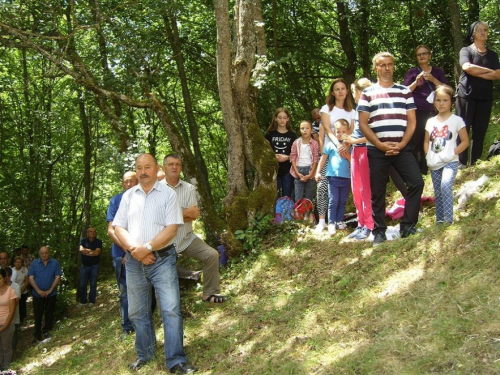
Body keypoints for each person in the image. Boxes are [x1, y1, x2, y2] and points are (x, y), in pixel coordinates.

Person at [113, 153, 198, 374]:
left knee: (170, 309)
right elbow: (118, 227)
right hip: (133, 262)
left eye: (147, 167)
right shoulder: (129, 196)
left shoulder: (168, 195)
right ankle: (145, 355)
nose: (143, 172)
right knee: (138, 312)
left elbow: (172, 227)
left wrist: (148, 248)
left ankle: (176, 360)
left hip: (162, 260)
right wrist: (135, 250)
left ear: (155, 168)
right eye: (139, 167)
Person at [358, 52, 425, 246]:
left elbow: (412, 122)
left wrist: (402, 144)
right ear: (375, 68)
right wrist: (379, 144)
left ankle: (408, 225)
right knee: (377, 190)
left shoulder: (404, 91)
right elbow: (363, 124)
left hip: (401, 148)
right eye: (383, 65)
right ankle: (379, 231)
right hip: (377, 150)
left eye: (390, 64)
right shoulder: (367, 93)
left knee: (416, 182)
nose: (387, 68)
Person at [162, 154, 225, 304]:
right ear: (164, 168)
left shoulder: (189, 188)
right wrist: (184, 212)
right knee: (164, 274)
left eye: (177, 164)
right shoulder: (157, 189)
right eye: (170, 164)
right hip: (164, 242)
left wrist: (171, 214)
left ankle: (210, 293)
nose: (174, 167)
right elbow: (158, 218)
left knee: (211, 254)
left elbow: (194, 215)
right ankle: (166, 310)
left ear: (181, 168)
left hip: (186, 238)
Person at [456, 21, 500, 166]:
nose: (483, 32)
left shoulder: (493, 55)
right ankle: (461, 163)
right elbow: (467, 67)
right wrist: (488, 71)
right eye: (480, 30)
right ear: (473, 33)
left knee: (480, 131)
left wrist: (478, 72)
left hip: (485, 98)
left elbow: (498, 75)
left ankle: (474, 163)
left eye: (485, 30)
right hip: (466, 96)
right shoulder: (466, 51)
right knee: (463, 129)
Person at [315, 78, 355, 233]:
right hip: (330, 149)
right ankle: (322, 221)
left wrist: (346, 145)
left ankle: (337, 220)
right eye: (337, 89)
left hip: (345, 149)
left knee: (341, 188)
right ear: (332, 92)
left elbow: (351, 130)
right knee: (323, 185)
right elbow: (327, 130)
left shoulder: (352, 111)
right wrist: (337, 145)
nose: (340, 91)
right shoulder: (326, 109)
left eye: (343, 88)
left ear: (347, 91)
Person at [424, 85, 469, 224]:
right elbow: (426, 141)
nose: (441, 103)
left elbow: (465, 141)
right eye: (438, 100)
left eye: (445, 100)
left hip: (450, 161)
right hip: (434, 163)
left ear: (451, 102)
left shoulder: (456, 120)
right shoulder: (430, 122)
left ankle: (449, 220)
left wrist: (452, 153)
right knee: (437, 191)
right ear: (434, 102)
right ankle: (440, 221)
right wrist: (428, 155)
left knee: (445, 185)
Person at [404, 44, 449, 174]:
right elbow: (404, 92)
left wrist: (434, 80)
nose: (422, 56)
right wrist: (416, 82)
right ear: (416, 57)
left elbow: (447, 89)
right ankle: (418, 169)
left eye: (424, 53)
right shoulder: (412, 72)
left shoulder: (437, 71)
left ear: (429, 55)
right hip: (416, 111)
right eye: (419, 54)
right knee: (416, 140)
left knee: (433, 138)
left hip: (434, 111)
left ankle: (435, 164)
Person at [342, 78, 374, 240]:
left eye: (354, 91)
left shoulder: (371, 110)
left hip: (366, 152)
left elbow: (373, 136)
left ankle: (369, 224)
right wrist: (348, 143)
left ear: (361, 92)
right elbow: (354, 133)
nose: (353, 95)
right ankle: (361, 223)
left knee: (365, 190)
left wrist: (353, 141)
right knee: (356, 189)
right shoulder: (357, 110)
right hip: (355, 152)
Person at [106, 171, 138, 335]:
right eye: (126, 182)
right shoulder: (116, 201)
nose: (129, 184)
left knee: (144, 288)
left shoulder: (144, 197)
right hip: (121, 254)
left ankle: (142, 322)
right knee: (125, 291)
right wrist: (128, 250)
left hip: (142, 252)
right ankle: (127, 326)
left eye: (133, 181)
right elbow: (111, 231)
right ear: (122, 184)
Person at [316, 119, 351, 235]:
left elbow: (353, 162)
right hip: (333, 178)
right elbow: (323, 159)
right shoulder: (330, 145)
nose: (340, 134)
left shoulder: (350, 146)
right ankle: (331, 223)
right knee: (333, 200)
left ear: (348, 132)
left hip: (346, 178)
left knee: (342, 200)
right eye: (338, 132)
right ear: (334, 132)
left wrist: (348, 156)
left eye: (343, 132)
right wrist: (318, 172)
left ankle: (339, 221)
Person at [28, 246, 62, 343]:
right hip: (37, 294)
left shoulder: (55, 263)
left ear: (49, 253)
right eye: (42, 253)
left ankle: (47, 331)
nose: (44, 255)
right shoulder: (35, 263)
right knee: (38, 315)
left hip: (51, 294)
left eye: (46, 253)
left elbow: (57, 276)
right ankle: (37, 334)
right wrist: (38, 290)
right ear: (39, 254)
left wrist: (50, 290)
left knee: (49, 313)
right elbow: (30, 277)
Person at [265, 107, 298, 198]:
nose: (282, 120)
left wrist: (287, 157)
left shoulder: (292, 135)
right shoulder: (269, 134)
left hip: (288, 170)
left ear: (287, 119)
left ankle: (286, 213)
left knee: (287, 196)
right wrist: (273, 157)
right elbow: (264, 152)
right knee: (274, 196)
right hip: (273, 169)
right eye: (280, 118)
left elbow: (296, 154)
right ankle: (274, 212)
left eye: (284, 118)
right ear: (275, 118)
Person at [289, 121, 319, 201]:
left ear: (311, 130)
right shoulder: (296, 143)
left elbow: (316, 159)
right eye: (302, 128)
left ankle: (308, 213)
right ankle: (298, 213)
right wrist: (297, 173)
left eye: (307, 128)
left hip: (310, 170)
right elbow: (293, 157)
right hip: (299, 170)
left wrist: (310, 174)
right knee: (298, 195)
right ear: (299, 130)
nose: (304, 130)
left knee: (309, 196)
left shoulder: (315, 143)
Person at [77, 228, 102, 308]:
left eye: (94, 231)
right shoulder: (83, 241)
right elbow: (81, 250)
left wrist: (87, 252)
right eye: (91, 231)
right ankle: (83, 301)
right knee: (82, 284)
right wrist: (91, 251)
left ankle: (91, 300)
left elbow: (97, 253)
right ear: (87, 233)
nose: (92, 233)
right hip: (84, 266)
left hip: (94, 266)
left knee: (93, 284)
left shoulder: (98, 242)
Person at [0, 268, 16, 371]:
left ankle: (6, 369)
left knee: (6, 348)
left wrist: (4, 327)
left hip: (7, 324)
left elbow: (12, 311)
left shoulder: (11, 291)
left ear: (5, 278)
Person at [3, 267, 20, 354]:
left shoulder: (15, 287)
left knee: (12, 339)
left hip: (13, 318)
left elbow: (15, 302)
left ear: (9, 276)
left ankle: (12, 358)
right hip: (2, 319)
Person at [11, 257, 28, 325]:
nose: (18, 264)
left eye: (19, 262)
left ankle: (21, 321)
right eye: (16, 262)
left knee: (21, 307)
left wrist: (20, 291)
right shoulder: (11, 270)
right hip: (13, 292)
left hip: (23, 291)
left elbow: (27, 282)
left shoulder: (25, 270)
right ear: (14, 263)